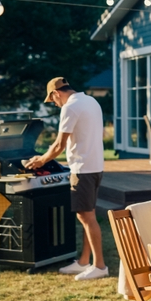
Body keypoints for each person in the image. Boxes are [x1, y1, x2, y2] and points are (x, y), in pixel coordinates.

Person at [25, 77, 107, 280]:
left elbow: (59, 144)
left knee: (86, 217)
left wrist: (40, 161)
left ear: (56, 93)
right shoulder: (90, 101)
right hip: (96, 166)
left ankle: (100, 266)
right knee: (88, 216)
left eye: (52, 100)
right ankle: (83, 262)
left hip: (83, 169)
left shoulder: (70, 107)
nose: (54, 103)